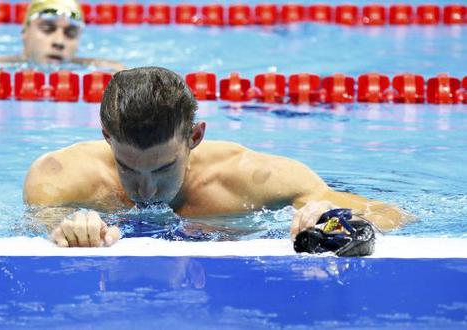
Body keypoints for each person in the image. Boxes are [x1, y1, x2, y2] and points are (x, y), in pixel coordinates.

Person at [23, 66, 411, 248]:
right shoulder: (58, 177)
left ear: (194, 137)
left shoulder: (253, 177)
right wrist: (65, 229)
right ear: (107, 137)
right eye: (127, 167)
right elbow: (33, 229)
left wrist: (331, 217)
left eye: (162, 167)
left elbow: (398, 215)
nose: (145, 188)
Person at [0, 0, 124, 70]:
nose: (59, 41)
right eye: (47, 29)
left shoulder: (105, 68)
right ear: (25, 32)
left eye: (70, 33)